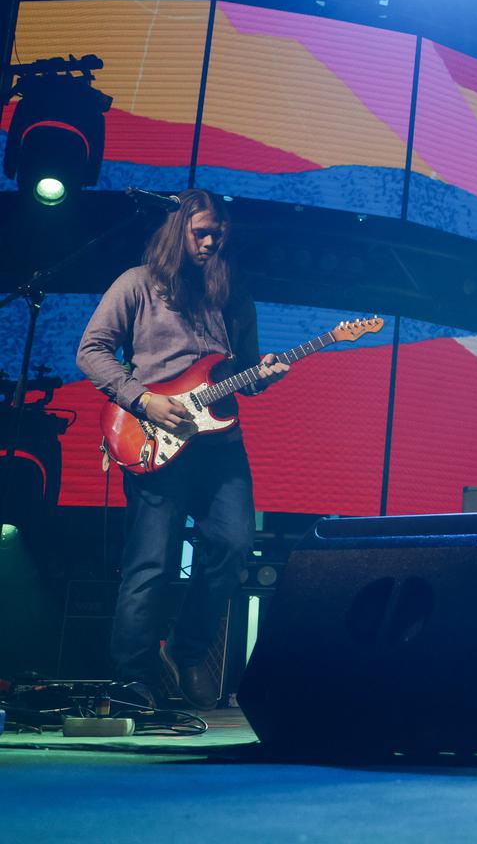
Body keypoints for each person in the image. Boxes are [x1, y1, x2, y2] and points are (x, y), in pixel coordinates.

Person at [77, 189, 289, 709]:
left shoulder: (232, 293)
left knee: (234, 545)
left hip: (220, 444)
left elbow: (245, 371)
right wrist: (143, 400)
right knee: (151, 561)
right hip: (152, 434)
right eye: (201, 232)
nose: (212, 242)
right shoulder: (137, 284)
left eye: (219, 234)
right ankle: (134, 677)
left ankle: (186, 652)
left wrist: (264, 375)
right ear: (178, 230)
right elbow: (91, 350)